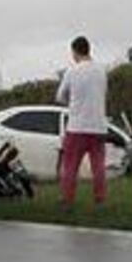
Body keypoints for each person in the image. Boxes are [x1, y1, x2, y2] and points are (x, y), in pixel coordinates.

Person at [56, 35, 108, 208]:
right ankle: (100, 199)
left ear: (75, 52)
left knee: (70, 165)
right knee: (98, 166)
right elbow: (103, 93)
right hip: (98, 126)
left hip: (77, 126)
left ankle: (67, 199)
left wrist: (71, 102)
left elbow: (60, 96)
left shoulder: (72, 71)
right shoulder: (101, 71)